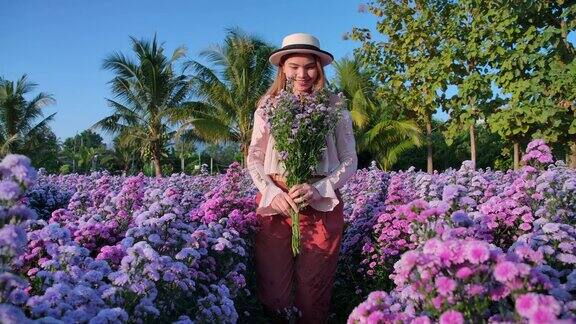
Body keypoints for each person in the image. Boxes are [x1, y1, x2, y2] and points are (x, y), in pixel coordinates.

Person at [247, 33, 358, 324]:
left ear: (319, 68)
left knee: (313, 292)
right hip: (277, 202)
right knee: (276, 294)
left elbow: (350, 160)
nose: (302, 74)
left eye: (309, 66)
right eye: (294, 66)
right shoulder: (268, 106)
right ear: (282, 68)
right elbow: (254, 157)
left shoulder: (334, 106)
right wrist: (272, 192)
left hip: (321, 200)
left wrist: (319, 187)